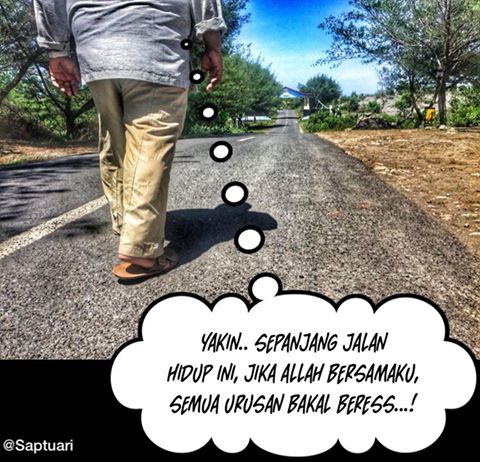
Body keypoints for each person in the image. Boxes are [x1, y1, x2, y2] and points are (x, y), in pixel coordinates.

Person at [33, 0, 227, 281]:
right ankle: (140, 248)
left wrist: (57, 51)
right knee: (152, 143)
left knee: (116, 142)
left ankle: (125, 224)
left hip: (96, 47)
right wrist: (212, 47)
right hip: (157, 43)